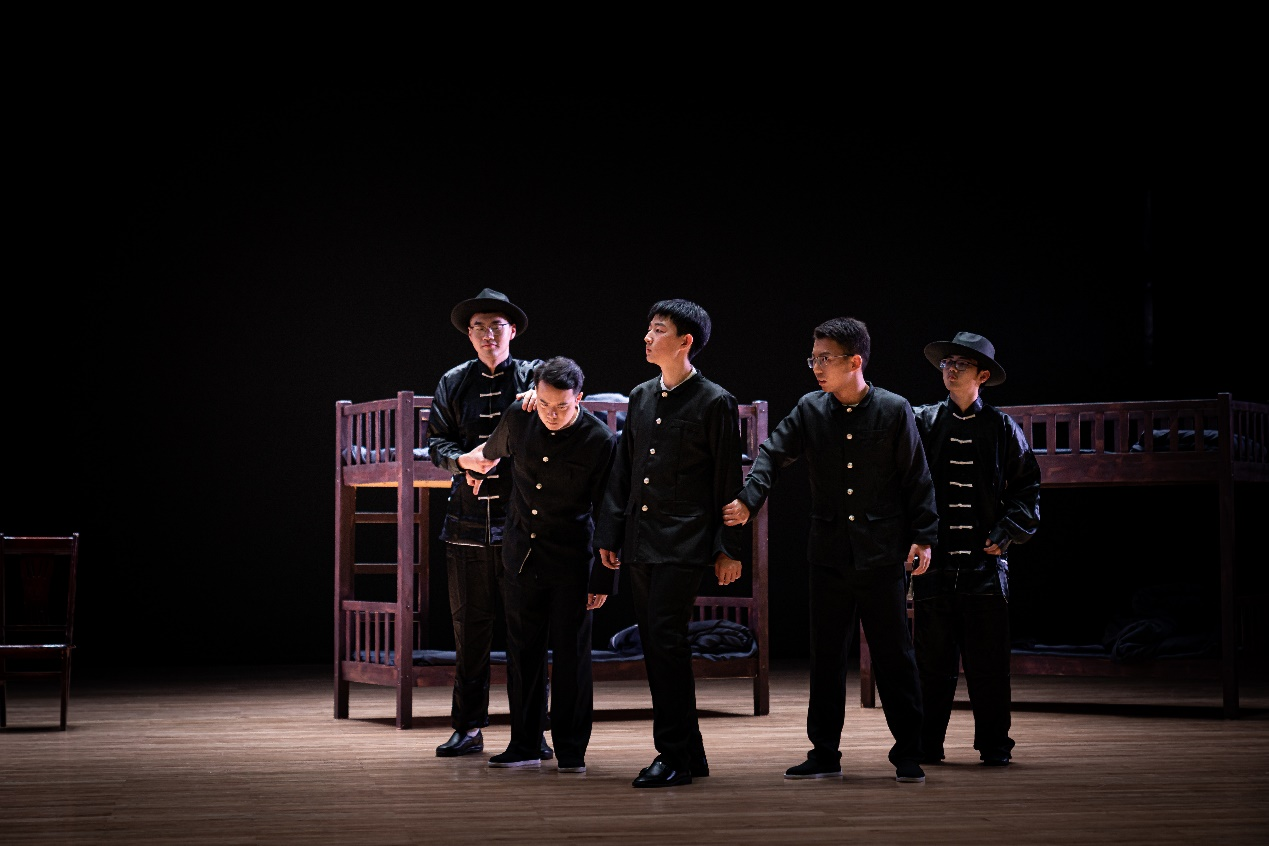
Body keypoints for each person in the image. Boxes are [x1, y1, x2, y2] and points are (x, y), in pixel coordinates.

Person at [722, 316, 937, 784]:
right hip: (828, 554)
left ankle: (908, 750)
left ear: (855, 361)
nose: (816, 367)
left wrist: (923, 537)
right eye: (813, 358)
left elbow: (916, 477)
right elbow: (771, 454)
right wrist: (749, 499)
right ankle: (824, 752)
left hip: (881, 554)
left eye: (826, 358)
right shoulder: (810, 408)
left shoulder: (893, 409)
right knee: (825, 657)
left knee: (894, 656)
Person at [594, 298, 745, 789]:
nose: (647, 336)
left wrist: (727, 548)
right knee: (659, 644)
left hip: (685, 541)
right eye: (649, 328)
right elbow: (623, 471)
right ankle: (690, 754)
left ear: (685, 341)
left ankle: (672, 755)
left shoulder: (715, 401)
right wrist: (610, 533)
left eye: (658, 330)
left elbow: (727, 481)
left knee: (665, 642)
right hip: (640, 539)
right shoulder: (640, 396)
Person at [458, 357, 618, 774]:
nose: (551, 413)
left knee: (571, 658)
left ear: (579, 398)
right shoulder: (520, 415)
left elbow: (609, 510)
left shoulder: (599, 440)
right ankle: (525, 744)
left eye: (561, 406)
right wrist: (474, 469)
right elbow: (490, 451)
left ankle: (571, 750)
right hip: (521, 557)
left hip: (571, 563)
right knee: (522, 654)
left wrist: (603, 576)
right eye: (544, 403)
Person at [425, 287, 551, 760]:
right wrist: (463, 460)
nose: (486, 335)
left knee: (527, 634)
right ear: (469, 335)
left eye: (496, 326)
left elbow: (563, 406)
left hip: (524, 527)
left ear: (512, 330)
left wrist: (538, 395)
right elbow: (437, 442)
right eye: (477, 327)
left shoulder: (534, 374)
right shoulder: (454, 381)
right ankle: (467, 727)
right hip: (466, 525)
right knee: (469, 633)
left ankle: (531, 733)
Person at [911, 332, 1041, 767]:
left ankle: (995, 745)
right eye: (947, 363)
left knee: (989, 666)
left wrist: (1006, 532)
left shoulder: (1002, 428)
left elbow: (1027, 488)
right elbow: (905, 482)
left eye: (961, 365)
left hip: (985, 567)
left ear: (982, 376)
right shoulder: (924, 421)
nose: (950, 370)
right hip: (935, 563)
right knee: (931, 664)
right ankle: (926, 744)